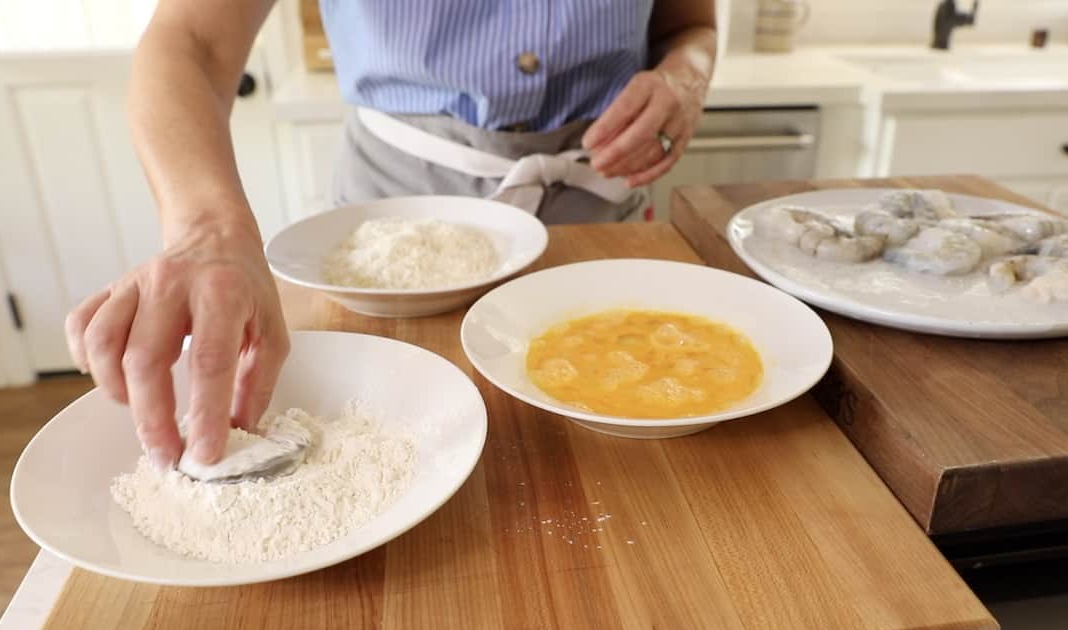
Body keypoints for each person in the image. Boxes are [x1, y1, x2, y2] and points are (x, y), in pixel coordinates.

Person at [64, 1, 717, 470]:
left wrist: (686, 76)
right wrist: (206, 229)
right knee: (389, 456)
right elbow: (192, 40)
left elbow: (689, 23)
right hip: (387, 236)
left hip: (599, 207)